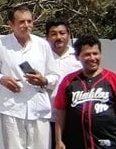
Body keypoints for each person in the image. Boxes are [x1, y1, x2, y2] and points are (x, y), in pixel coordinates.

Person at [0, 5, 59, 149]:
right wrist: (3, 80)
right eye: (21, 22)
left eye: (29, 21)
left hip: (38, 107)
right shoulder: (0, 45)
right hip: (12, 107)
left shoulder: (42, 45)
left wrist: (44, 80)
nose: (26, 25)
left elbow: (55, 75)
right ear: (11, 24)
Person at [54, 36, 116, 149]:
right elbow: (60, 112)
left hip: (107, 143)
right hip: (75, 143)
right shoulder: (68, 81)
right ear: (77, 57)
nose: (92, 58)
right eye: (87, 54)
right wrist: (58, 141)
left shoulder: (114, 79)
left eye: (95, 53)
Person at [44, 19, 81, 149]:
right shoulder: (41, 57)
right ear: (47, 37)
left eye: (62, 33)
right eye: (53, 34)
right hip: (46, 118)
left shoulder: (78, 58)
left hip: (73, 118)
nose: (58, 37)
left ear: (69, 34)